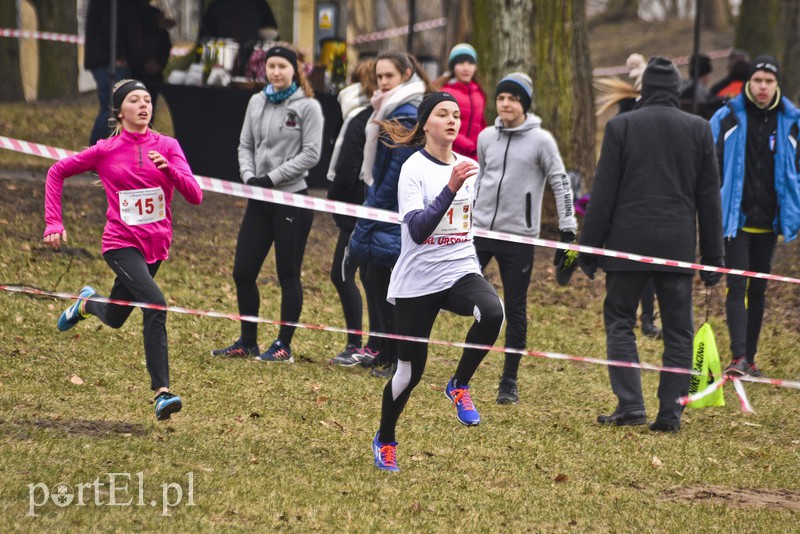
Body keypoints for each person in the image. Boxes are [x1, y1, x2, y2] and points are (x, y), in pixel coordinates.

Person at [578, 56, 724, 433]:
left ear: (643, 90)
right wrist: (713, 258)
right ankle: (670, 413)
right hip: (676, 246)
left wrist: (589, 248)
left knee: (620, 322)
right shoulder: (699, 129)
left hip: (627, 243)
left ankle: (630, 405)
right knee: (679, 332)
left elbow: (603, 193)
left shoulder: (621, 126)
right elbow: (709, 198)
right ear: (676, 91)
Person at [44, 79, 203, 420]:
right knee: (155, 304)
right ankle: (163, 393)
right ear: (119, 111)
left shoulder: (168, 146)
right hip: (120, 245)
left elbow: (196, 194)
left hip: (156, 247)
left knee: (115, 317)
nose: (144, 106)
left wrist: (170, 170)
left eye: (147, 100)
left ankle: (87, 303)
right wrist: (53, 222)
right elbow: (57, 171)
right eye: (135, 100)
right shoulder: (104, 150)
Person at [372, 92, 505, 471]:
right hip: (417, 280)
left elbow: (464, 226)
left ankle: (459, 384)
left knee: (493, 312)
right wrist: (448, 188)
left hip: (459, 269)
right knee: (409, 373)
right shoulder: (413, 169)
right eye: (442, 114)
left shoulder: (468, 165)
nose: (451, 120)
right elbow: (416, 230)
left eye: (456, 114)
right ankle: (385, 438)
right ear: (426, 123)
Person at [211, 45, 323, 362]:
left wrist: (272, 178)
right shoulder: (256, 101)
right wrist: (250, 177)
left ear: (294, 70)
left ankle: (283, 345)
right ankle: (248, 341)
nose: (275, 72)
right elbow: (245, 144)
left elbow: (311, 154)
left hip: (291, 198)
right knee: (243, 272)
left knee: (288, 274)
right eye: (270, 66)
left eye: (282, 67)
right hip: (258, 197)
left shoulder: (308, 106)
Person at [472, 72, 577, 405]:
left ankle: (509, 381)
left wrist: (568, 228)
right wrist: (466, 218)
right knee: (462, 296)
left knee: (515, 309)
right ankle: (463, 370)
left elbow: (560, 182)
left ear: (524, 105)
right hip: (480, 231)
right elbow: (479, 179)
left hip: (519, 237)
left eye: (513, 99)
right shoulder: (486, 137)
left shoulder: (542, 140)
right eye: (501, 97)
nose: (505, 103)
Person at [709, 55, 800, 377]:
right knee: (736, 286)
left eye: (769, 81)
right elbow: (710, 164)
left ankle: (752, 358)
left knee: (758, 290)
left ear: (777, 85)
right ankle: (738, 357)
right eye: (758, 80)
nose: (762, 86)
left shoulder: (792, 121)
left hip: (770, 221)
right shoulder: (727, 116)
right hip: (736, 219)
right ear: (749, 82)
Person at [348, 51, 431, 378]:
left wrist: (372, 209)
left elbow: (395, 174)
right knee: (374, 277)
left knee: (393, 287)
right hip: (382, 205)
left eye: (389, 76)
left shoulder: (406, 114)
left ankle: (400, 359)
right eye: (379, 76)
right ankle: (383, 349)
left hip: (394, 211)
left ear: (406, 74)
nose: (382, 82)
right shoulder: (390, 107)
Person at [594, 53, 663, 340]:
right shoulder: (625, 114)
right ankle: (623, 319)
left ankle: (647, 318)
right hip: (625, 200)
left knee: (647, 264)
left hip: (652, 198)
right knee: (626, 264)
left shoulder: (662, 114)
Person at [326, 59, 382, 367]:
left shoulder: (362, 119)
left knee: (344, 273)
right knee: (368, 275)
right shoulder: (360, 116)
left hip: (359, 210)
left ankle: (359, 344)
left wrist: (336, 197)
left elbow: (347, 168)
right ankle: (373, 343)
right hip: (365, 208)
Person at [84, 0, 134, 145]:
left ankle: (102, 149)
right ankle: (94, 149)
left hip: (104, 57)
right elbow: (109, 26)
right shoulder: (107, 5)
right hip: (107, 59)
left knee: (113, 106)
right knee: (111, 107)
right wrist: (118, 55)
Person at [433, 43, 486, 160]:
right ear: (453, 67)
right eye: (461, 63)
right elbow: (442, 126)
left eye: (470, 63)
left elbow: (481, 124)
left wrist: (481, 148)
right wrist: (468, 147)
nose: (466, 68)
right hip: (449, 154)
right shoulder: (445, 92)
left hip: (474, 156)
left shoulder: (480, 93)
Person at [127, 0, 174, 123]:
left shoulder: (155, 13)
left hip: (153, 72)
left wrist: (159, 64)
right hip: (135, 71)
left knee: (148, 112)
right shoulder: (130, 13)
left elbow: (165, 44)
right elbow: (132, 43)